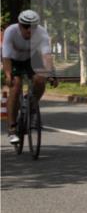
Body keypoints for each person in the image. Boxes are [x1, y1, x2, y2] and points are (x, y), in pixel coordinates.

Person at [3, 10, 58, 144]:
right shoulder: (11, 31)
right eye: (25, 27)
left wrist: (51, 74)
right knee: (15, 86)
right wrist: (8, 75)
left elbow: (46, 56)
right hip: (13, 60)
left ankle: (31, 104)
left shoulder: (42, 33)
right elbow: (6, 58)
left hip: (31, 59)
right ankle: (12, 128)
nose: (29, 30)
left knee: (40, 79)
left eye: (32, 27)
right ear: (19, 25)